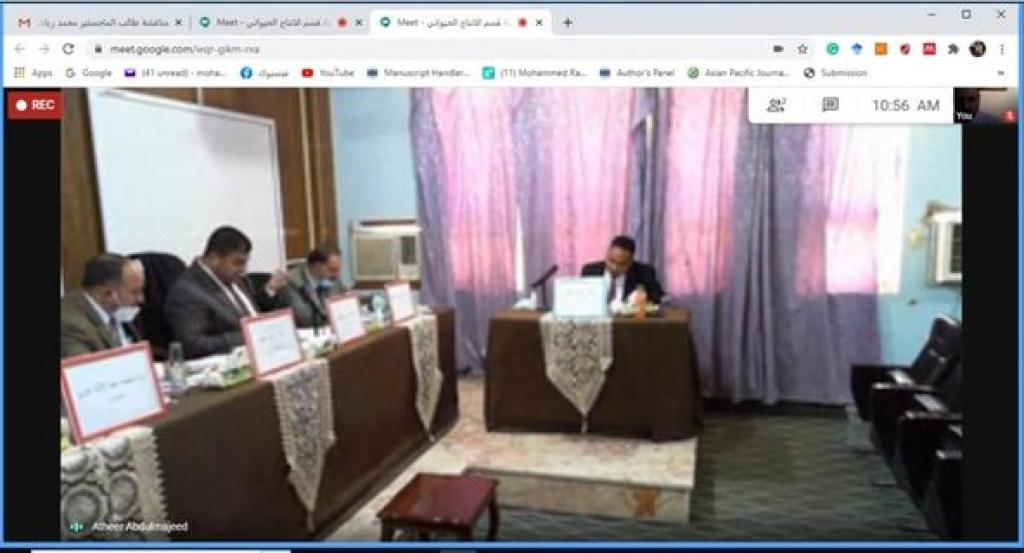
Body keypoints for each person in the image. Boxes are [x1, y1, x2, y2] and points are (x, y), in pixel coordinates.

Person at [165, 226, 290, 359]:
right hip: (231, 360)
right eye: (238, 263)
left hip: (266, 351)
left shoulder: (230, 276)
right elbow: (193, 345)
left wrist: (270, 289)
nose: (243, 269)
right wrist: (248, 336)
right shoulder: (186, 292)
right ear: (214, 258)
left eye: (245, 263)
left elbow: (248, 310)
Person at [61, 254, 146, 358]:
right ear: (107, 293)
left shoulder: (117, 310)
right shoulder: (71, 326)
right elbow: (88, 367)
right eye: (134, 292)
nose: (141, 299)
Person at [581, 235, 665, 305]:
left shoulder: (644, 273)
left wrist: (642, 299)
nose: (614, 267)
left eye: (621, 264)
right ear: (607, 254)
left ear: (631, 261)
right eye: (611, 261)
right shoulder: (590, 271)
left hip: (629, 320)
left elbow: (658, 299)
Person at [282, 244, 348, 328]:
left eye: (338, 269)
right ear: (317, 266)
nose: (337, 275)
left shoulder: (331, 278)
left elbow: (342, 300)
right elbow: (305, 317)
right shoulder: (293, 282)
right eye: (333, 270)